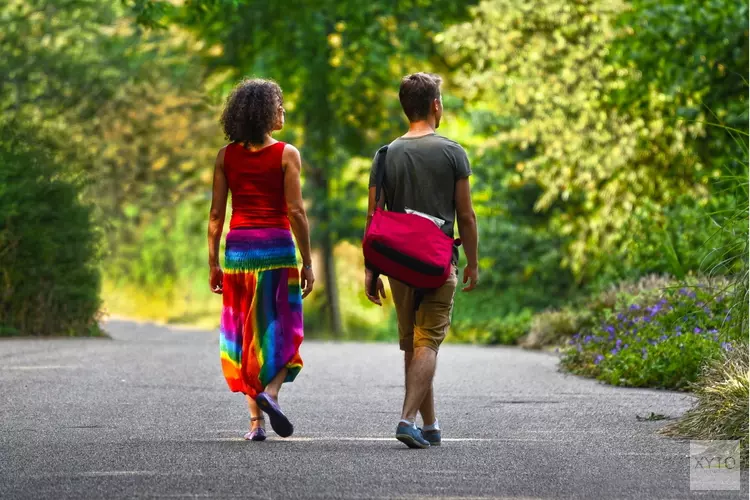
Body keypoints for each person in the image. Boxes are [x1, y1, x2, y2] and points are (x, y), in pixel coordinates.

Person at [365, 72, 479, 449]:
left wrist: (372, 269)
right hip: (437, 260)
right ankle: (406, 419)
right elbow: (466, 216)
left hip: (399, 266)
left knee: (414, 344)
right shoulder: (452, 152)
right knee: (428, 341)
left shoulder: (386, 154)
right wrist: (473, 262)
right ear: (435, 105)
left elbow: (374, 217)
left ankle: (428, 424)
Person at [207, 78, 314, 441]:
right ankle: (271, 394)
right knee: (282, 329)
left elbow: (216, 216)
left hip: (238, 254)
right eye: (279, 106)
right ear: (266, 113)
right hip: (278, 253)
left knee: (244, 334)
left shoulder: (225, 157)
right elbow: (296, 211)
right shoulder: (287, 154)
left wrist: (213, 262)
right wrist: (308, 262)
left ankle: (255, 424)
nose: (283, 111)